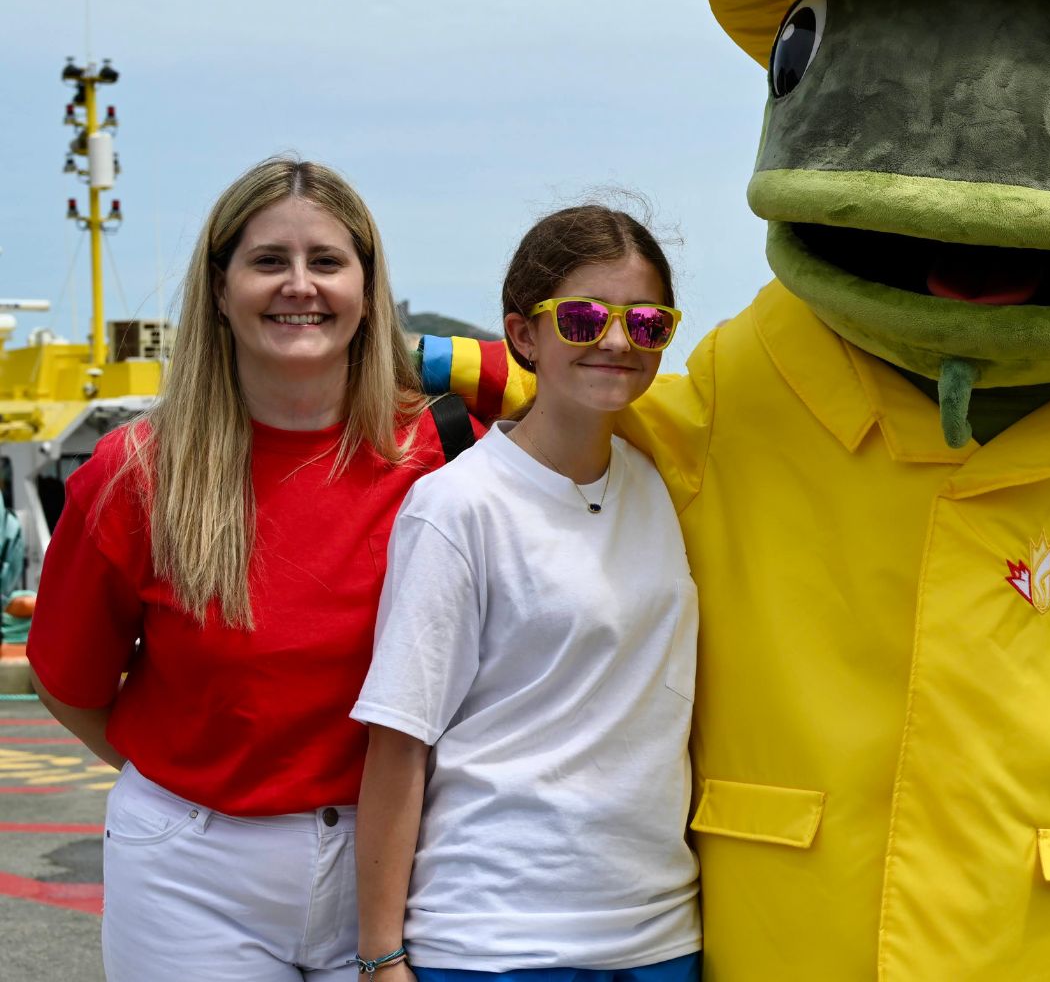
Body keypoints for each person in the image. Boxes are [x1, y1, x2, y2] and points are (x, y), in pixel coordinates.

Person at [26, 157, 467, 981]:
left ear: (367, 292)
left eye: (327, 262)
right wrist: (191, 787)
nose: (299, 285)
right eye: (269, 261)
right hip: (192, 877)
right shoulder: (137, 475)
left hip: (403, 867)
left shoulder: (445, 452)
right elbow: (69, 683)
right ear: (220, 289)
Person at [352, 205, 700, 982]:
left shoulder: (663, 489)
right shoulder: (457, 507)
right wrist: (381, 957)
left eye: (646, 322)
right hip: (496, 939)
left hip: (659, 934)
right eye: (581, 318)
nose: (616, 340)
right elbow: (399, 741)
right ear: (523, 335)